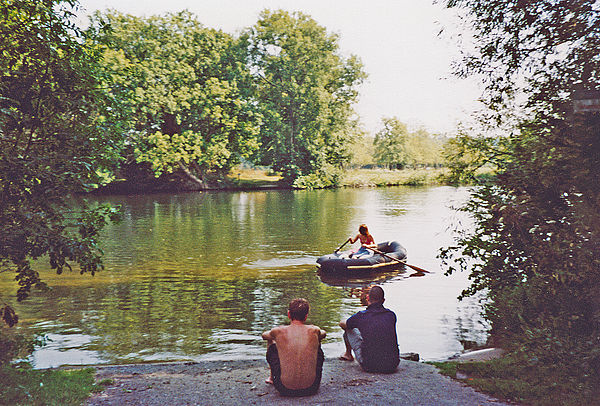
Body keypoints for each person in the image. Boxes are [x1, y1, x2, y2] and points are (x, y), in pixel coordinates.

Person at [262, 298, 326, 397]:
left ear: (289, 314)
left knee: (272, 345)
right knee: (317, 344)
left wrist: (277, 336)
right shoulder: (314, 330)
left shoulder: (278, 331)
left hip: (284, 389)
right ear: (306, 316)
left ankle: (271, 377)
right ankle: (309, 374)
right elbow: (323, 334)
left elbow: (264, 335)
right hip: (311, 388)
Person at [339, 285, 400, 373]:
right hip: (392, 365)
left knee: (349, 328)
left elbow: (343, 324)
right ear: (383, 300)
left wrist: (345, 322)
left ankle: (348, 354)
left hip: (370, 365)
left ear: (367, 298)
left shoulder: (361, 316)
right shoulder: (391, 315)